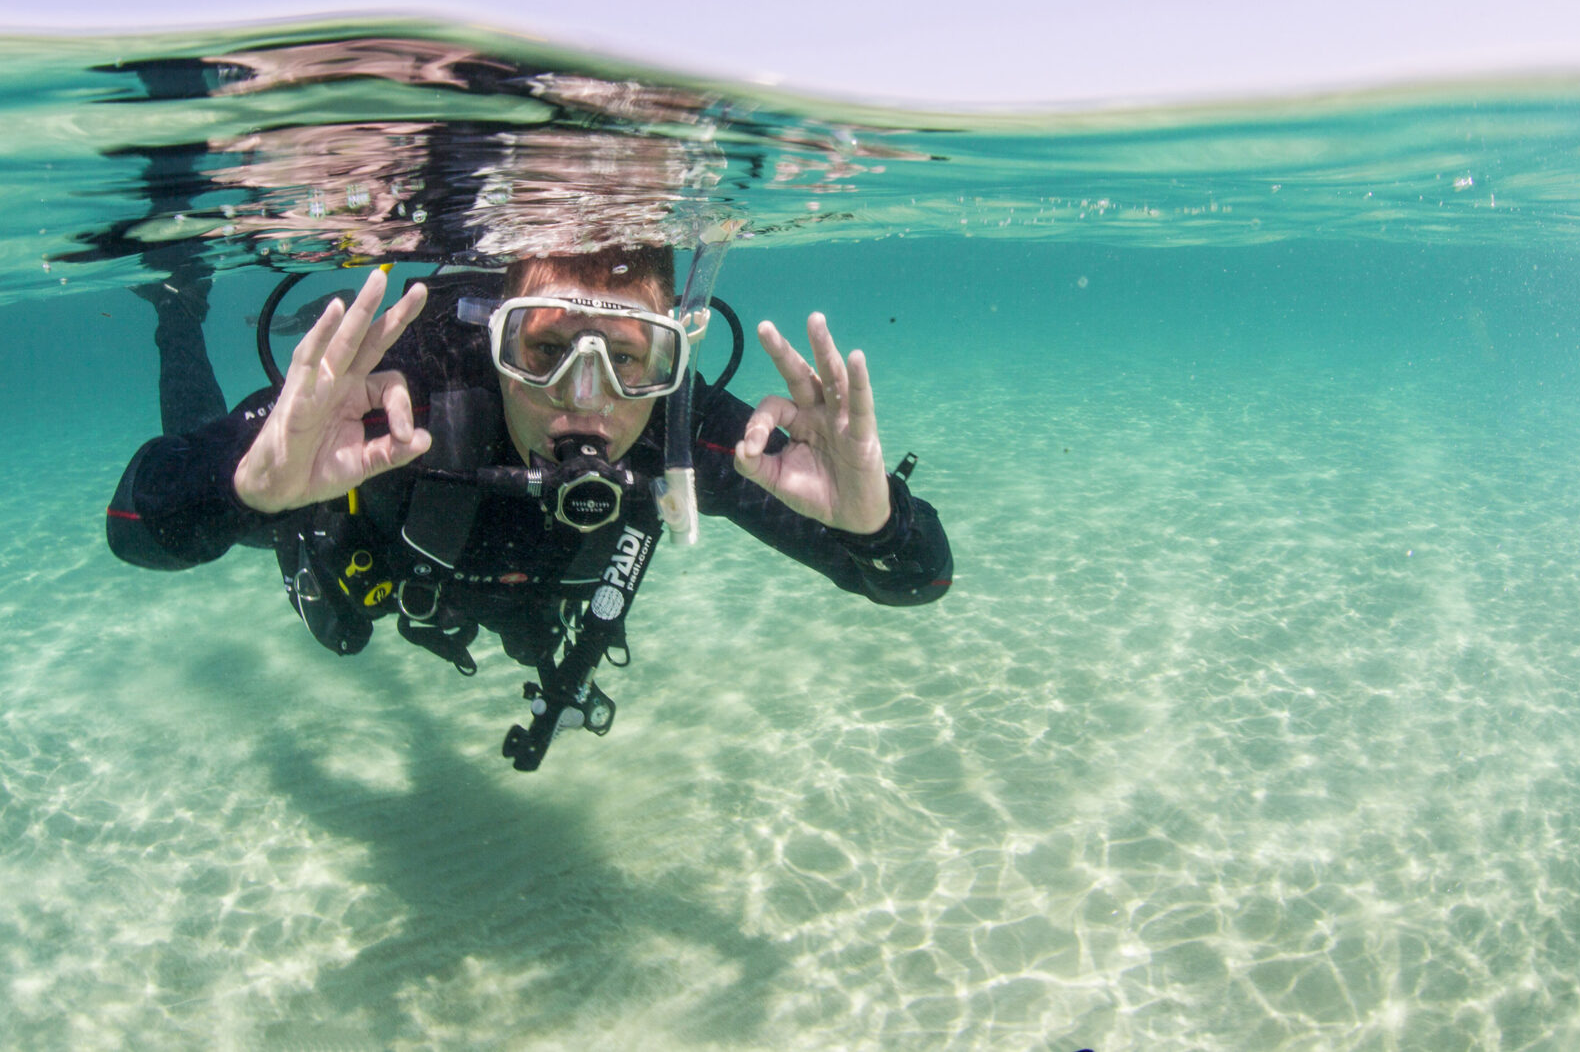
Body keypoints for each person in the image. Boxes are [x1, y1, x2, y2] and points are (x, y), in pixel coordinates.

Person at [106, 247, 952, 769]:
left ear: (671, 361)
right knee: (220, 458)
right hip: (356, 544)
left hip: (505, 596)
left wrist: (878, 526)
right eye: (544, 349)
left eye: (630, 359)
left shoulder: (676, 431)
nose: (586, 400)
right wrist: (241, 490)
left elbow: (915, 580)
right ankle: (179, 317)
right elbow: (133, 523)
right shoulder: (403, 405)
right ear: (493, 345)